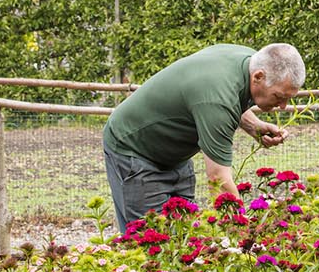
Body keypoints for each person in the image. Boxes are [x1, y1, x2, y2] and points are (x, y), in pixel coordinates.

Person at [101, 42, 305, 232]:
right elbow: (218, 180)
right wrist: (244, 235)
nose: (283, 106)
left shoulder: (250, 62)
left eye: (288, 99)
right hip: (134, 149)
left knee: (185, 236)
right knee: (149, 240)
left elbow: (224, 98)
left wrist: (254, 126)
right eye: (279, 97)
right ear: (258, 77)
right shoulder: (219, 96)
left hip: (176, 156)